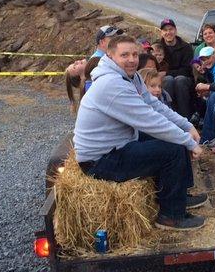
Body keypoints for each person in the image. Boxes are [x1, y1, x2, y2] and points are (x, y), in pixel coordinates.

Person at [73, 35, 207, 230]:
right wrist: (189, 142)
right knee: (173, 149)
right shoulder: (112, 84)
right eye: (124, 55)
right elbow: (150, 120)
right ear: (110, 56)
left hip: (118, 144)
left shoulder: (129, 76)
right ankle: (170, 216)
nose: (132, 59)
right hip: (100, 161)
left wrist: (186, 125)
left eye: (135, 54)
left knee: (173, 138)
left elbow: (154, 106)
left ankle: (179, 196)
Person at [159, 18, 194, 119]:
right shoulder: (158, 47)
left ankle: (185, 118)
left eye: (170, 29)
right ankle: (168, 117)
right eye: (165, 30)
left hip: (184, 79)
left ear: (175, 30)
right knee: (168, 80)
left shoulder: (186, 47)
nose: (168, 32)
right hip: (165, 80)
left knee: (179, 80)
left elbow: (187, 70)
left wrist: (166, 73)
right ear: (161, 32)